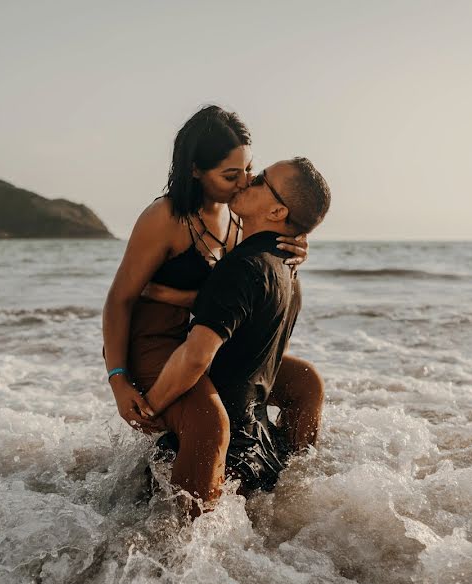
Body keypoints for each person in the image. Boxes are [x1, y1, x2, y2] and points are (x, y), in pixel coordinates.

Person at [102, 106, 324, 507]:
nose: (244, 183)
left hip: (199, 340)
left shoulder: (236, 215)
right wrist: (118, 379)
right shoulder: (165, 218)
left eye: (249, 171)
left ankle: (289, 494)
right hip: (153, 345)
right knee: (210, 422)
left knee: (304, 382)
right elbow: (119, 301)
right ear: (195, 171)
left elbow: (235, 291)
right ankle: (182, 542)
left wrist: (290, 244)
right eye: (230, 175)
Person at [141, 157, 331, 500]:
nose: (247, 181)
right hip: (264, 454)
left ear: (277, 213)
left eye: (260, 180)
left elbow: (197, 356)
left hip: (218, 457)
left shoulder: (242, 267)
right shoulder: (289, 269)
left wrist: (150, 408)